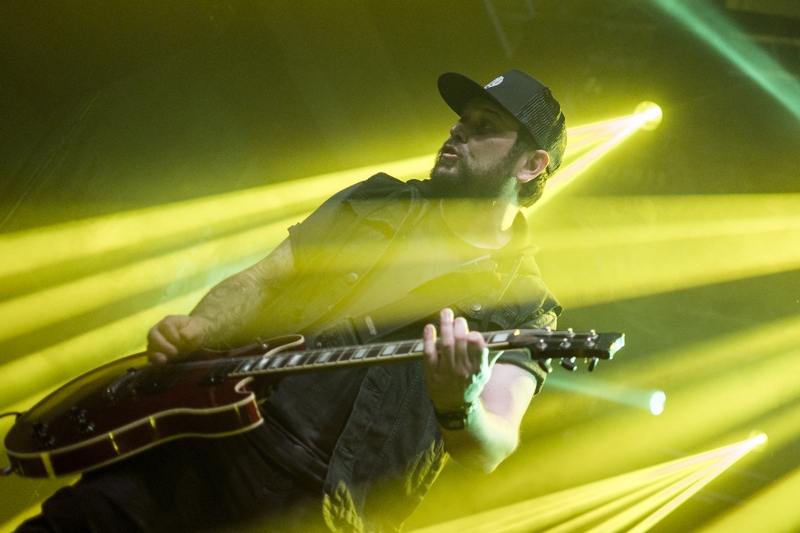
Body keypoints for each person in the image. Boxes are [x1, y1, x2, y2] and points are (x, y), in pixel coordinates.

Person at [17, 69, 567, 533]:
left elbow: (493, 443)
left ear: (530, 165)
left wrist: (458, 403)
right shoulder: (377, 197)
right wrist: (200, 326)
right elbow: (262, 281)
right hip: (204, 435)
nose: (457, 130)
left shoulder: (528, 305)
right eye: (461, 119)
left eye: (484, 127)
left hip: (311, 505)